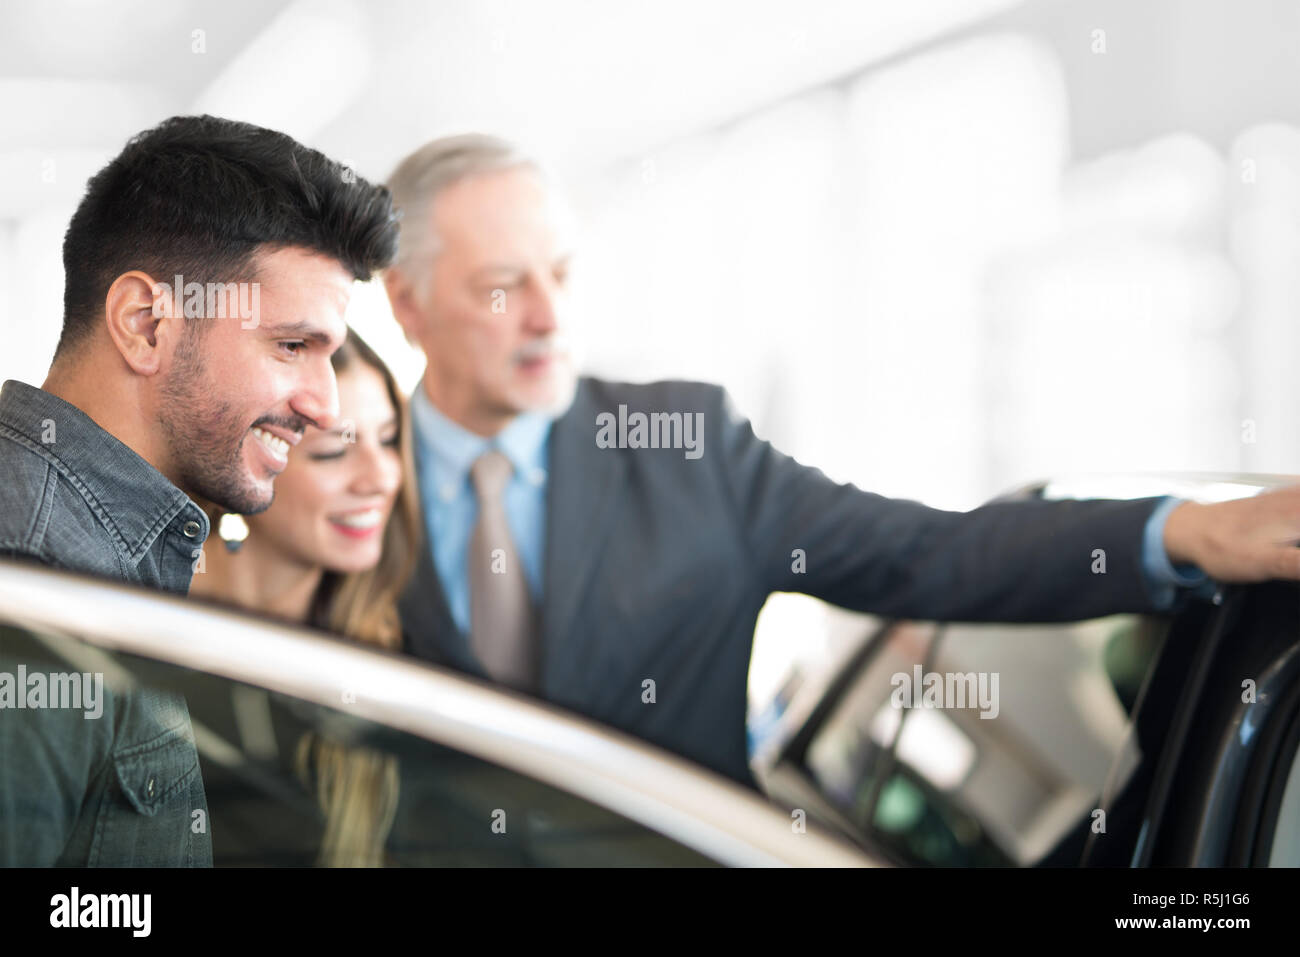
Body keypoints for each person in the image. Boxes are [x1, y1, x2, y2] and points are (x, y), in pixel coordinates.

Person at [382, 133, 1300, 789]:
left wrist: (1184, 528)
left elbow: (927, 553)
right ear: (409, 303)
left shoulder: (685, 444)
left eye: (563, 272)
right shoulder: (342, 476)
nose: (549, 315)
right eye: (503, 287)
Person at [0, 115, 398, 865]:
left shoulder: (102, 554)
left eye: (328, 355)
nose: (326, 405)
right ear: (147, 323)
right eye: (290, 345)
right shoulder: (36, 582)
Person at [190, 328, 421, 866]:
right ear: (250, 464)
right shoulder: (142, 618)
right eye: (333, 454)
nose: (382, 478)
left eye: (388, 440)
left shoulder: (395, 649)